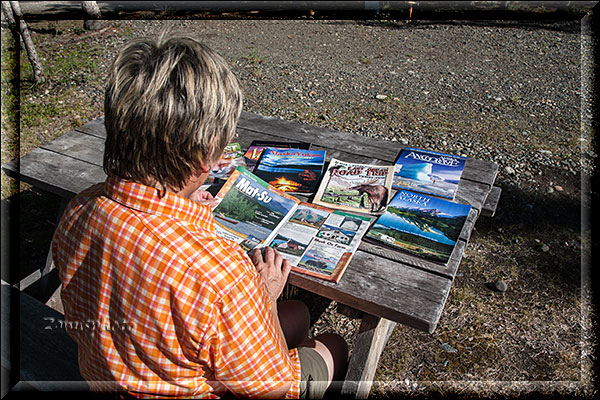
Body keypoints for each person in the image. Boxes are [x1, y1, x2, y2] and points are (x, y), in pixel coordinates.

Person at [51, 33, 347, 399]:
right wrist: (265, 297)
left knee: (300, 313)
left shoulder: (79, 210)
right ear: (207, 153)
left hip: (113, 377)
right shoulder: (220, 275)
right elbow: (273, 390)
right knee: (332, 344)